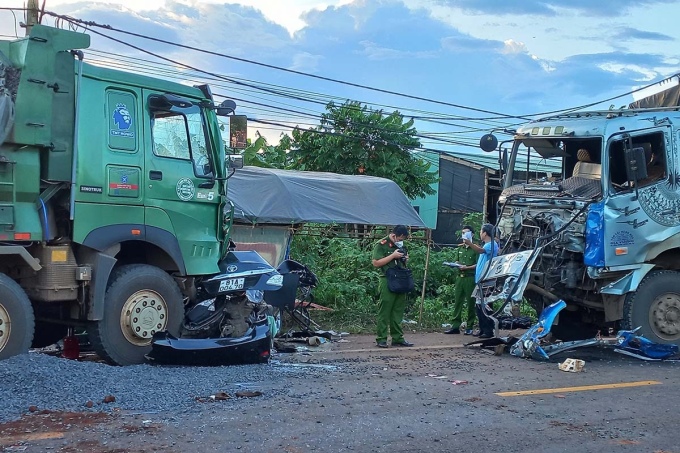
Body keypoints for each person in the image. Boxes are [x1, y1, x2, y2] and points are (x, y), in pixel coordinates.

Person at [372, 225, 414, 348]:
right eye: (400, 238)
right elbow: (375, 263)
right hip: (388, 279)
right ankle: (381, 338)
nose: (401, 241)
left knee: (398, 311)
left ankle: (397, 338)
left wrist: (405, 259)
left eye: (403, 239)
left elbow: (403, 262)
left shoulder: (401, 246)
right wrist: (393, 256)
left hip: (401, 279)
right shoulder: (382, 244)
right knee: (385, 311)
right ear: (394, 235)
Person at [463, 223, 499, 339]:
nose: (480, 233)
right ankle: (483, 329)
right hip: (481, 280)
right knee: (479, 305)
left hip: (487, 279)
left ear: (485, 233)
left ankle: (488, 330)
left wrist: (470, 243)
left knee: (485, 305)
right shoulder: (487, 244)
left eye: (481, 231)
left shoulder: (492, 244)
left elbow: (481, 251)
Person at [443, 226, 478, 335]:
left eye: (466, 233)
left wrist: (467, 268)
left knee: (470, 303)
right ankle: (455, 326)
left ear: (472, 235)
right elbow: (457, 260)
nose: (464, 235)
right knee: (457, 302)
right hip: (460, 278)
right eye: (463, 233)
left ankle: (470, 326)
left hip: (470, 278)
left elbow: (478, 264)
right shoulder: (460, 248)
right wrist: (456, 264)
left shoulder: (475, 249)